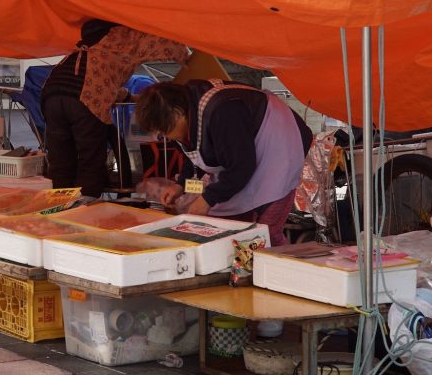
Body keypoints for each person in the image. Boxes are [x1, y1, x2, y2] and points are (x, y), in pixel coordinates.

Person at [134, 79, 314, 246]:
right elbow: (195, 156)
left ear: (178, 114)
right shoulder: (188, 116)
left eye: (165, 131)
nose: (166, 137)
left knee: (265, 234)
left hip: (279, 146)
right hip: (244, 158)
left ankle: (281, 274)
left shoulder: (222, 112)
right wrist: (180, 185)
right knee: (229, 228)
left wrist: (207, 199)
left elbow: (241, 167)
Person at [40, 19, 187, 198]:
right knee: (91, 159)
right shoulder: (125, 37)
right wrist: (189, 58)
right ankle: (84, 210)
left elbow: (102, 78)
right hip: (87, 96)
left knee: (61, 159)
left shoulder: (88, 46)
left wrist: (129, 97)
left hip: (51, 93)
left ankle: (58, 206)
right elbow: (168, 45)